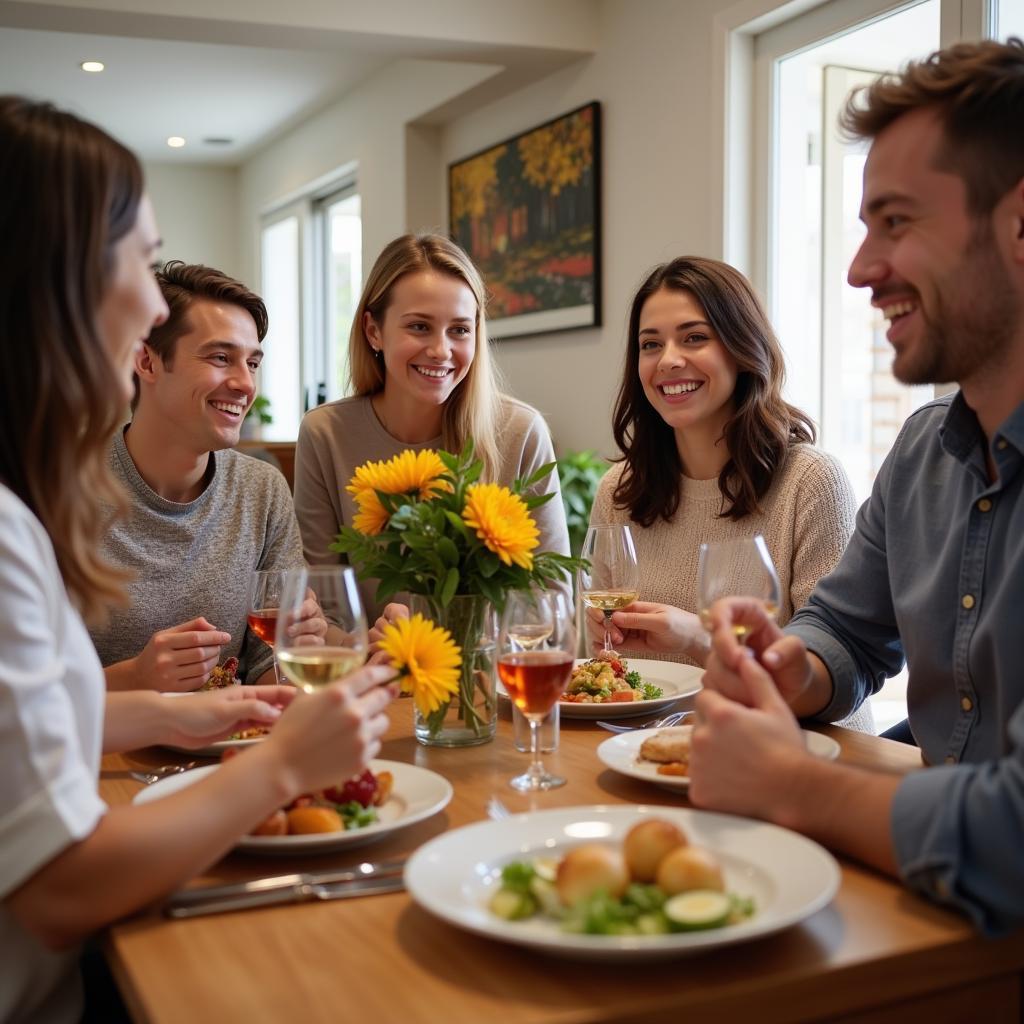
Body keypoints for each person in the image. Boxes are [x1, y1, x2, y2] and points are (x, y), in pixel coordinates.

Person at [0, 96, 395, 1023]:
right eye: (139, 261)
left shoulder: (244, 486)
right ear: (57, 277)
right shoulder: (26, 516)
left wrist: (199, 710)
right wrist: (279, 767)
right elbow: (58, 893)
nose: (146, 301)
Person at [689, 38, 1024, 934]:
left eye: (897, 222)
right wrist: (784, 666)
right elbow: (843, 629)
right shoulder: (923, 451)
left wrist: (792, 785)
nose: (860, 269)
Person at [585, 257, 872, 729]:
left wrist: (698, 637)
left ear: (742, 348)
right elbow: (603, 669)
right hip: (660, 750)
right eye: (650, 344)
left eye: (694, 337)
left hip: (802, 749)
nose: (669, 359)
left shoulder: (811, 482)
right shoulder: (618, 492)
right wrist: (603, 639)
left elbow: (830, 659)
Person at [294, 233, 571, 623]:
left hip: (493, 679)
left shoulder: (521, 432)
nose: (441, 351)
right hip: (374, 678)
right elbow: (322, 608)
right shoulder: (326, 434)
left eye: (459, 329)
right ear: (373, 330)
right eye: (420, 327)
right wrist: (365, 647)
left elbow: (551, 602)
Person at [90, 261, 304, 691]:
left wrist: (297, 653)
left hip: (229, 751)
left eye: (253, 363)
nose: (246, 384)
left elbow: (270, 666)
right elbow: (24, 689)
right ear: (146, 362)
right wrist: (135, 677)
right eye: (221, 358)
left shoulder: (262, 491)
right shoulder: (60, 490)